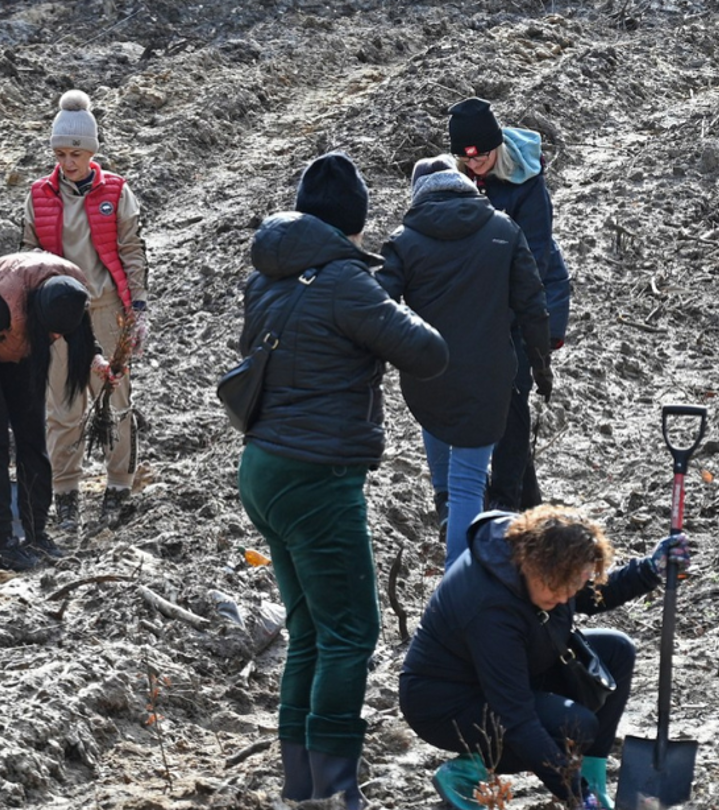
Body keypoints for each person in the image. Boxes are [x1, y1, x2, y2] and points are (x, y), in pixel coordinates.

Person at [238, 152, 447, 809]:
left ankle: (302, 789)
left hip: (264, 465)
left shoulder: (269, 275)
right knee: (352, 632)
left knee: (310, 631)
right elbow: (427, 352)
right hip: (316, 476)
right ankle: (334, 790)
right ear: (354, 221)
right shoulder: (346, 283)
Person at [401, 507, 691, 809]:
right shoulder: (491, 609)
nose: (565, 598)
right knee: (575, 727)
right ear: (533, 567)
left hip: (516, 665)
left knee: (617, 650)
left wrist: (649, 570)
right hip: (447, 702)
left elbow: (591, 596)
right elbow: (518, 717)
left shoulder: (549, 559)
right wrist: (576, 795)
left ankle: (593, 778)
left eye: (573, 587)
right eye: (557, 591)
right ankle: (466, 771)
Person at [378, 157, 552, 567]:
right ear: (463, 185)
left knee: (439, 430)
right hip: (489, 377)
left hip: (427, 373)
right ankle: (460, 577)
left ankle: (444, 507)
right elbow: (532, 305)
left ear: (418, 194)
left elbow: (377, 308)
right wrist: (540, 366)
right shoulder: (503, 230)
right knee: (469, 482)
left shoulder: (403, 241)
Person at [20, 90, 150, 533]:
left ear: (91, 152)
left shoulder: (116, 191)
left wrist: (139, 308)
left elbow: (132, 250)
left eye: (75, 154)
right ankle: (66, 495)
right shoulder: (39, 195)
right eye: (60, 154)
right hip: (59, 316)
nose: (67, 162)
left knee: (115, 399)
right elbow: (26, 255)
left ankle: (118, 486)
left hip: (107, 309)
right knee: (62, 407)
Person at [446, 98, 572, 513]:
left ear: (496, 146)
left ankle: (504, 506)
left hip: (525, 302)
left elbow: (534, 262)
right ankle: (530, 510)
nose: (475, 164)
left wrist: (507, 317)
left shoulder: (526, 183)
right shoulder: (457, 179)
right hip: (482, 308)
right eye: (466, 159)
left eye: (481, 156)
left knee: (511, 399)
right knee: (499, 408)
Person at [0, 252, 97, 572]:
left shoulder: (73, 294)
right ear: (37, 312)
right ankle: (4, 544)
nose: (56, 339)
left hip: (19, 343)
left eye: (59, 335)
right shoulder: (3, 303)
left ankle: (36, 534)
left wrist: (97, 359)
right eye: (52, 333)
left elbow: (81, 333)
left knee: (33, 440)